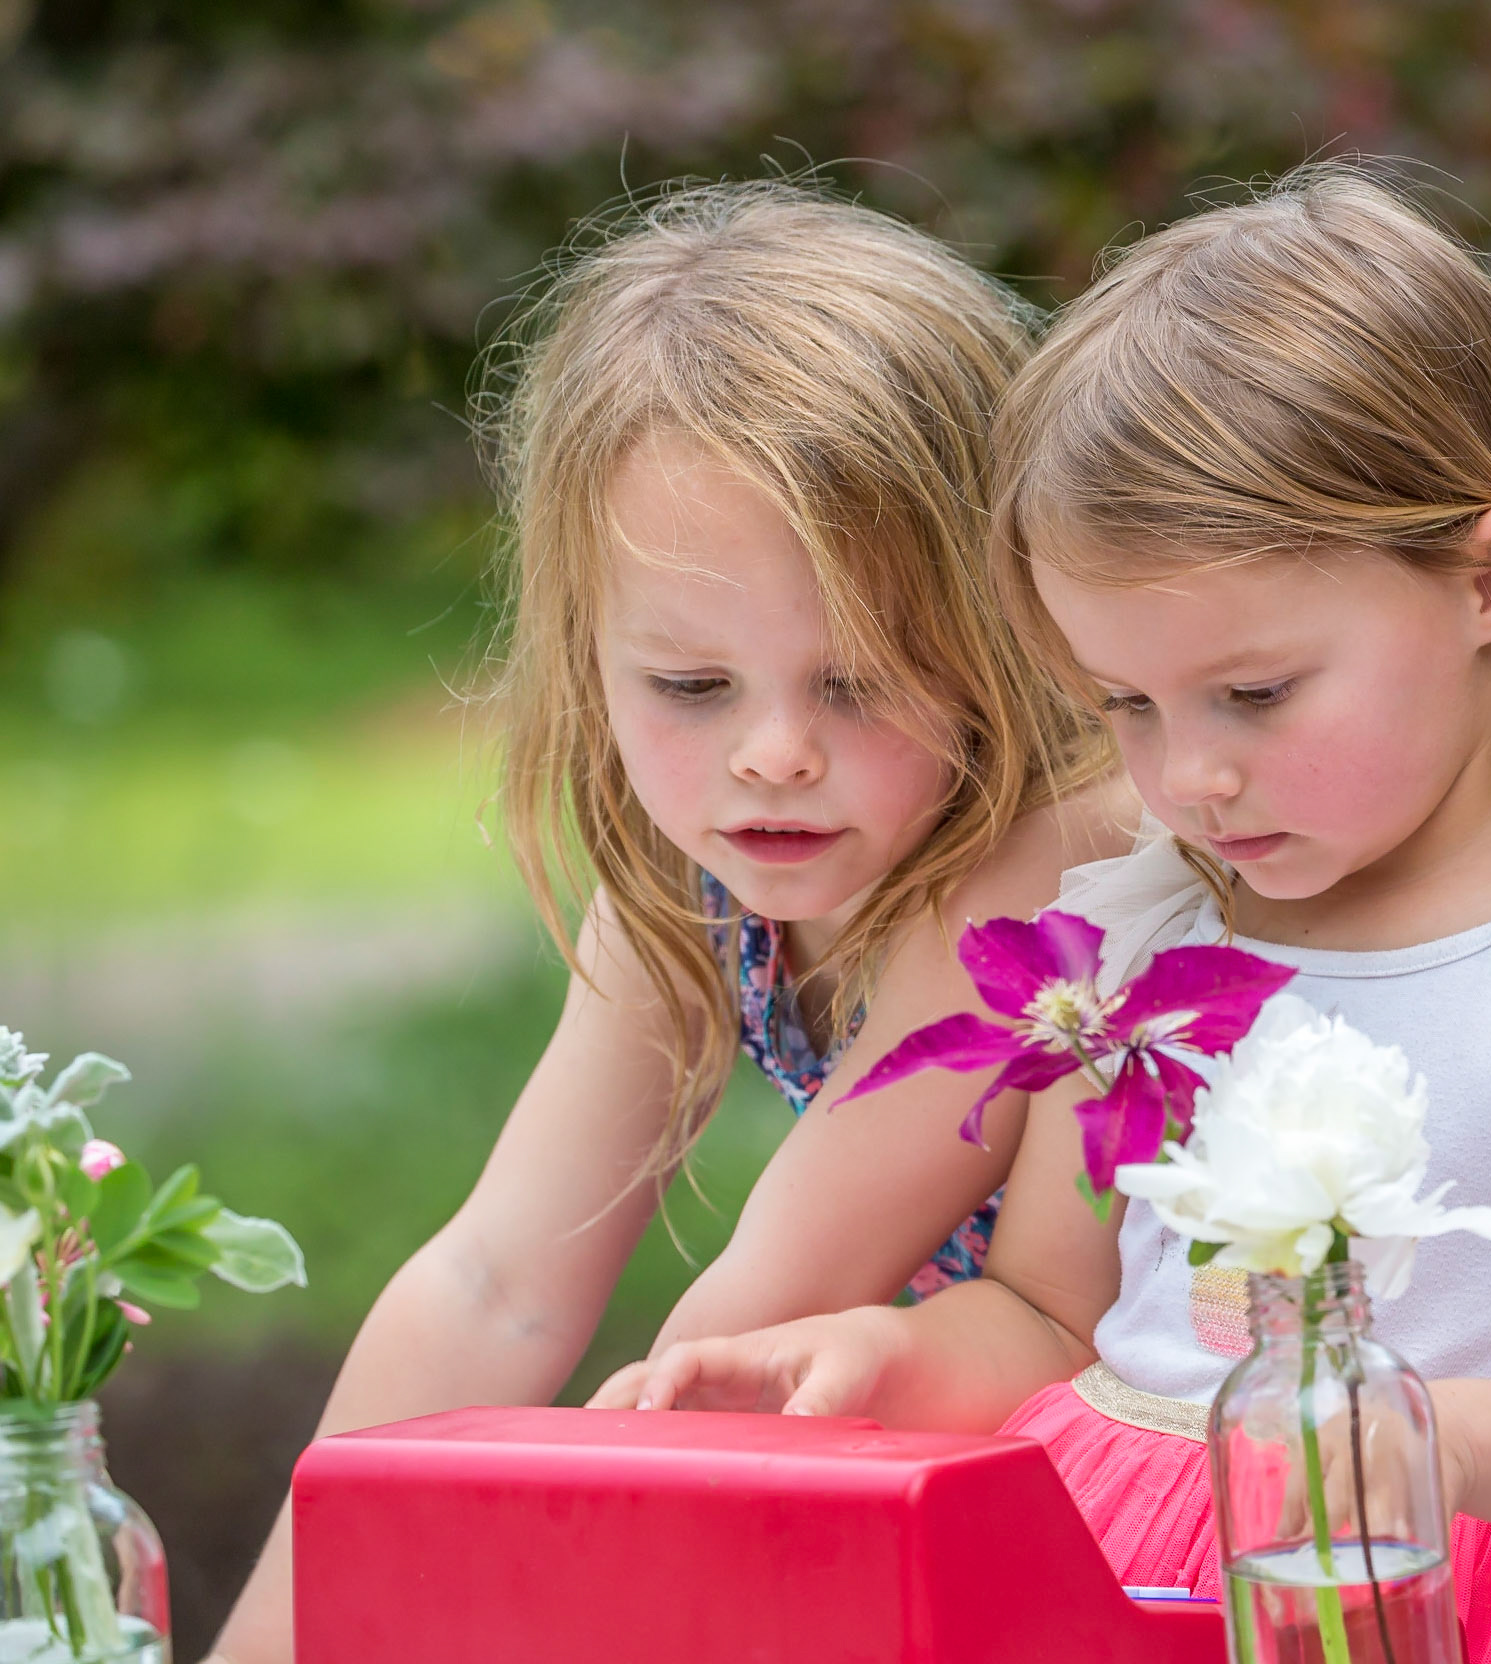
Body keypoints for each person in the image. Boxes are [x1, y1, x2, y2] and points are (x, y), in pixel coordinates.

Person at [621, 168, 1491, 1664]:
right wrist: (881, 1351)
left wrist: (1427, 1443)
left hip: (1456, 1599)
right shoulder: (1145, 942)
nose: (1188, 776)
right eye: (1125, 706)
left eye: (1255, 694)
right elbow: (1051, 1311)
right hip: (1119, 1587)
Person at [207, 181, 1135, 1664]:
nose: (771, 753)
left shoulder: (1058, 857)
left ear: (999, 633)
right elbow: (494, 1281)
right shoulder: (689, 887)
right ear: (584, 656)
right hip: (936, 1492)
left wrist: (542, 1577)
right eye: (691, 689)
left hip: (1180, 1516)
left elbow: (749, 1318)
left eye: (855, 680)